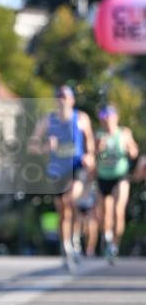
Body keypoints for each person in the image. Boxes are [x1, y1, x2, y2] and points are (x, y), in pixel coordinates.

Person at [28, 85, 95, 269]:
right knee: (63, 211)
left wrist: (90, 155)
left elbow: (89, 141)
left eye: (65, 97)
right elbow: (31, 146)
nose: (62, 100)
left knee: (71, 199)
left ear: (72, 100)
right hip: (57, 170)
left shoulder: (81, 118)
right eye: (59, 96)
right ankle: (66, 245)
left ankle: (74, 240)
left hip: (77, 167)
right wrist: (45, 148)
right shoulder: (48, 121)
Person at [95, 104, 139, 261]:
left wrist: (130, 150)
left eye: (109, 117)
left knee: (118, 210)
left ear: (116, 118)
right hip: (103, 177)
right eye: (103, 118)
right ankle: (107, 237)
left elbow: (134, 151)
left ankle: (114, 245)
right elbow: (92, 154)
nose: (107, 121)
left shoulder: (124, 133)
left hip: (120, 176)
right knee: (105, 214)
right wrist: (98, 148)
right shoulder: (99, 134)